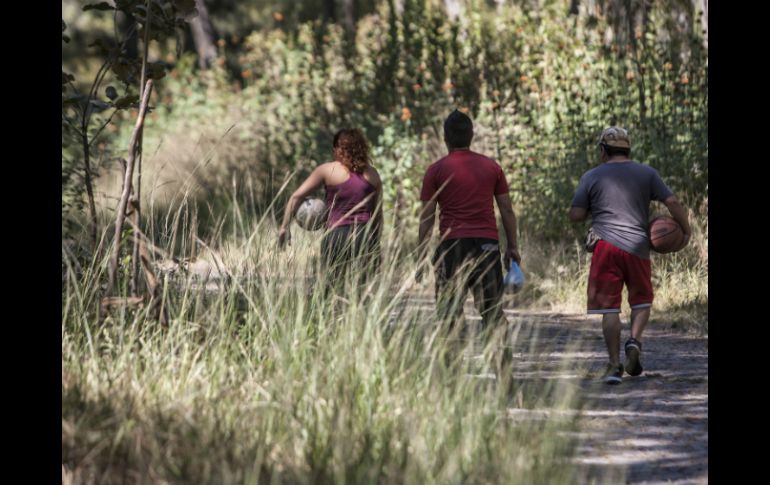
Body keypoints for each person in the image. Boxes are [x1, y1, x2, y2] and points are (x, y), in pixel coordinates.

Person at [569, 126, 691, 384]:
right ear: (628, 149)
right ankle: (634, 341)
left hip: (605, 248)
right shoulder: (647, 173)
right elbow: (672, 202)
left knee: (609, 308)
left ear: (603, 150)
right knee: (642, 300)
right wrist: (686, 230)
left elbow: (576, 215)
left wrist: (594, 208)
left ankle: (614, 366)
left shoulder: (591, 176)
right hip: (639, 245)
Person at [417, 109, 521, 335]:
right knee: (492, 312)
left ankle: (452, 370)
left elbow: (427, 218)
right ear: (471, 136)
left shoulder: (435, 171)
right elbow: (506, 211)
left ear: (445, 138)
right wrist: (512, 247)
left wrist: (420, 256)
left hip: (451, 248)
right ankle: (503, 370)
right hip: (487, 246)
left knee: (448, 315)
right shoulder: (492, 167)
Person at [279, 128, 383, 293]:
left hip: (336, 236)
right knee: (362, 292)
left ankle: (334, 318)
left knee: (331, 290)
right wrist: (376, 244)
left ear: (338, 149)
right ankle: (360, 318)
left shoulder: (327, 170)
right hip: (364, 237)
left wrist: (284, 227)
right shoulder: (373, 174)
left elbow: (296, 197)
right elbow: (378, 215)